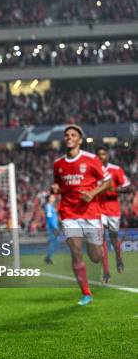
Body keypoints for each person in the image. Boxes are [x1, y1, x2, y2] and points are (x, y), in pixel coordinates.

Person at [51, 126, 111, 305]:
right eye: (67, 135)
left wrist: (92, 193)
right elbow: (60, 186)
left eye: (73, 135)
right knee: (76, 251)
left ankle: (102, 249)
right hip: (69, 212)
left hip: (91, 213)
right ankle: (86, 293)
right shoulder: (58, 164)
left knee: (95, 256)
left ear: (80, 140)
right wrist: (55, 189)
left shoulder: (91, 160)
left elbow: (107, 182)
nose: (69, 138)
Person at [95, 145, 132, 281]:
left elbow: (128, 188)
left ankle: (119, 257)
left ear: (107, 156)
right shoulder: (92, 171)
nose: (100, 157)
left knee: (114, 239)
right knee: (101, 240)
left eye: (103, 154)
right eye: (98, 155)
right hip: (99, 210)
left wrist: (113, 190)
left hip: (113, 211)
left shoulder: (116, 170)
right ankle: (106, 272)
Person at [43, 194, 59, 264]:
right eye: (52, 197)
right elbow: (49, 217)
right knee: (53, 243)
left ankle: (48, 257)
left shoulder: (51, 207)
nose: (54, 198)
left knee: (54, 243)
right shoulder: (49, 206)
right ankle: (48, 258)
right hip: (52, 228)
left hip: (53, 227)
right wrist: (54, 227)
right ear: (49, 199)